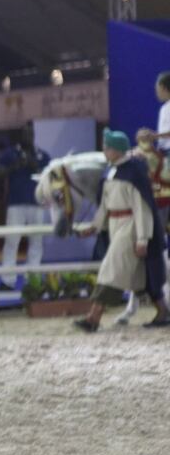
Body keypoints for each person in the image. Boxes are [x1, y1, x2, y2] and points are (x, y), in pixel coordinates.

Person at [75, 129, 170, 331]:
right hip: (116, 226)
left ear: (118, 150)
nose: (104, 150)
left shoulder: (134, 171)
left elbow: (141, 207)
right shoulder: (110, 172)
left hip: (131, 226)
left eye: (107, 147)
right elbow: (105, 204)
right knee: (142, 275)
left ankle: (93, 318)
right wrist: (94, 226)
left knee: (109, 271)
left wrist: (143, 238)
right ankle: (163, 311)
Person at [0, 129, 51, 290]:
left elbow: (51, 176)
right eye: (24, 134)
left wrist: (35, 166)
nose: (27, 137)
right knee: (12, 241)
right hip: (16, 204)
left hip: (37, 203)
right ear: (19, 137)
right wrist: (15, 166)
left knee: (36, 242)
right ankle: (8, 280)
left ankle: (33, 279)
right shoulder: (11, 154)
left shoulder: (42, 155)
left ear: (34, 136)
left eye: (30, 134)